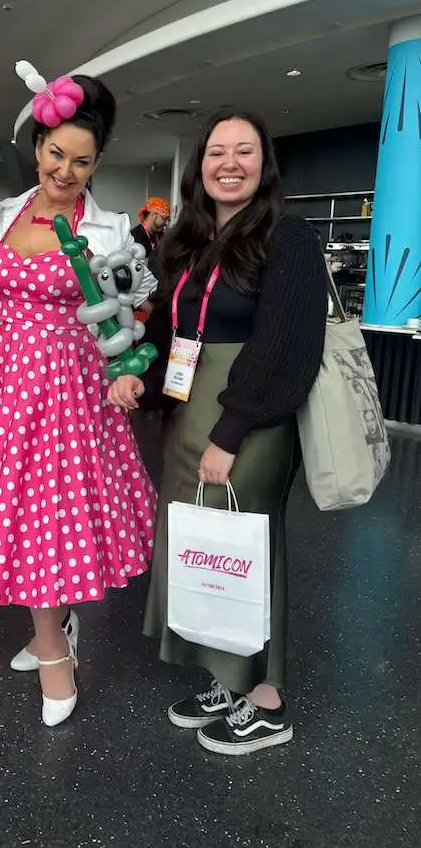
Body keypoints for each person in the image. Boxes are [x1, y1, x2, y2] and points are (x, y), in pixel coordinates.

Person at [0, 70, 157, 727]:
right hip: (8, 388)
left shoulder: (113, 230)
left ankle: (55, 650)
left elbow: (137, 306)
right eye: (56, 154)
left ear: (97, 162)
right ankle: (49, 630)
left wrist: (127, 364)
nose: (65, 170)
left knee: (53, 514)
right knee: (22, 511)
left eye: (81, 160)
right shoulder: (7, 213)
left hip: (73, 390)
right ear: (38, 147)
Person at [109, 109, 327, 755]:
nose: (229, 163)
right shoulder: (189, 239)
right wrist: (138, 375)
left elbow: (284, 344)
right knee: (199, 544)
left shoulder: (287, 236)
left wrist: (231, 431)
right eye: (216, 152)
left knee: (243, 545)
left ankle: (265, 700)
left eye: (245, 151)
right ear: (199, 165)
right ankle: (224, 678)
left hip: (247, 415)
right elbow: (165, 331)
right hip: (185, 409)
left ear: (265, 163)